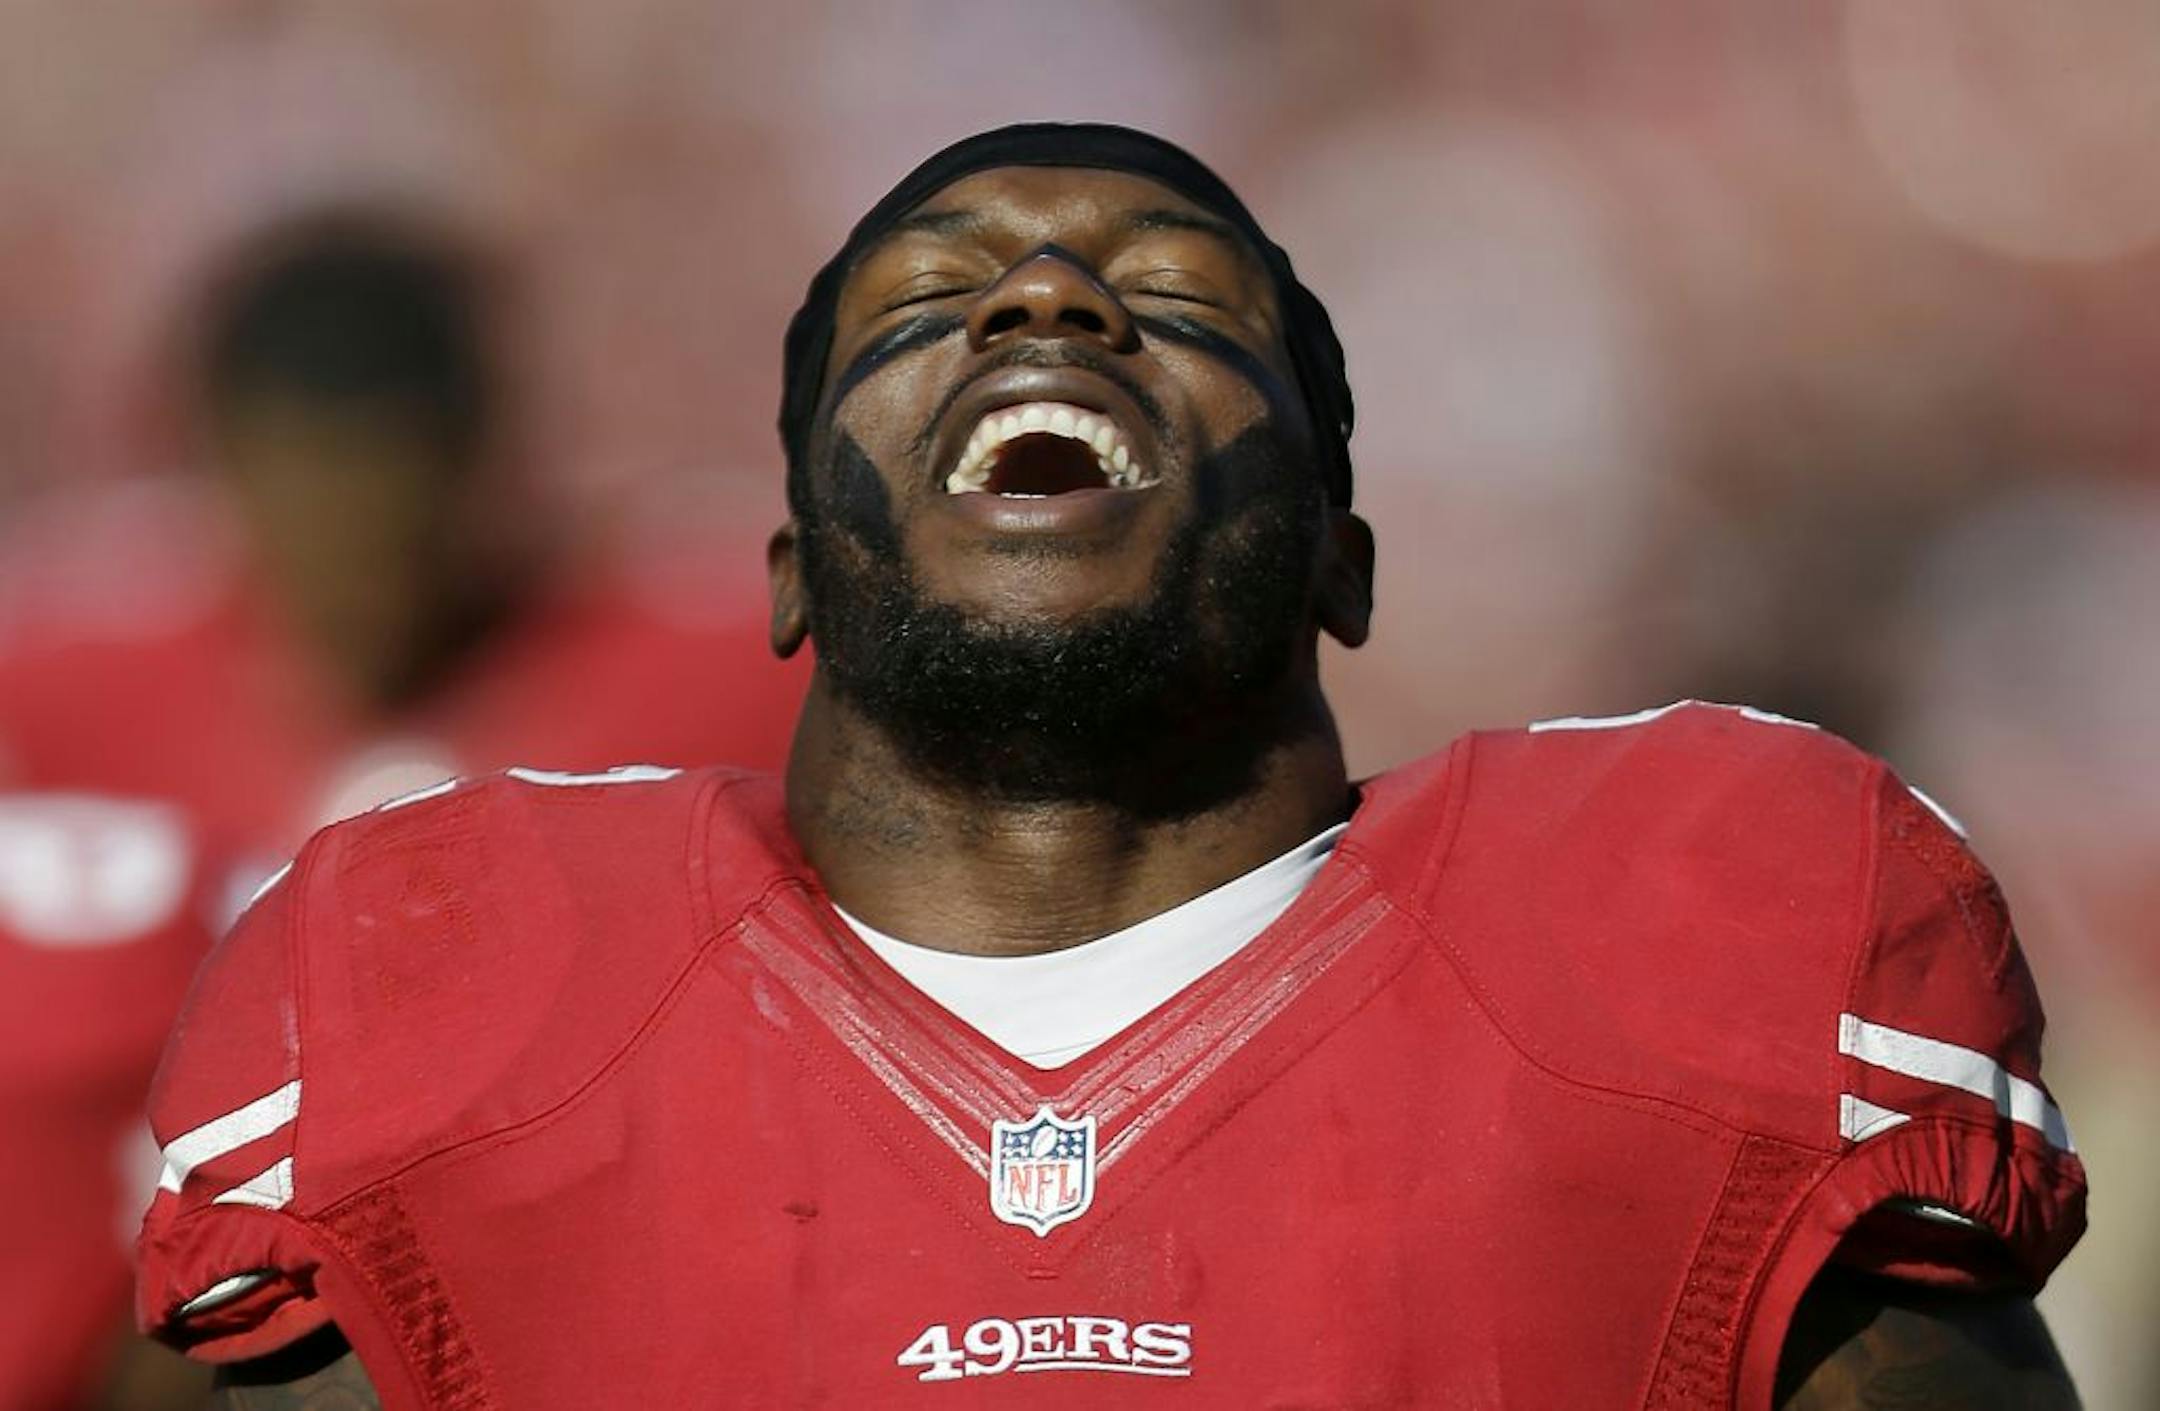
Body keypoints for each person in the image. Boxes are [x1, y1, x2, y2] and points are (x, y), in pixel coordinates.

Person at [134, 124, 2086, 1409]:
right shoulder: (429, 1016)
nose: (1045, 300)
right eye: (927, 298)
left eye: (1167, 291)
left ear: (1345, 558)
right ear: (791, 571)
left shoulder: (1701, 944)